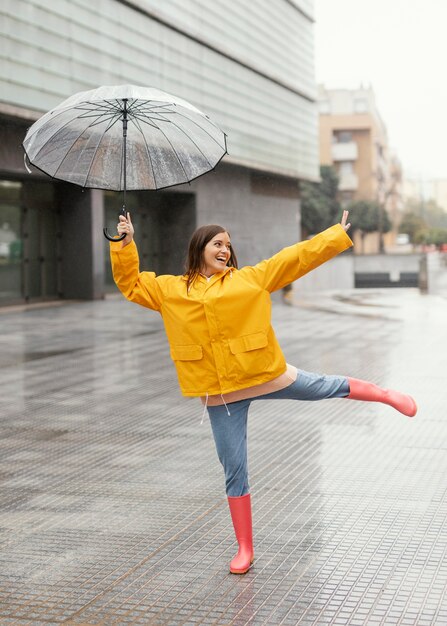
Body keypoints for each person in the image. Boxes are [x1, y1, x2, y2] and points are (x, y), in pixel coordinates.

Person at [110, 210, 417, 575]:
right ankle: (245, 548)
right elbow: (130, 284)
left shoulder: (249, 279)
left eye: (227, 244)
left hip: (263, 372)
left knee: (323, 386)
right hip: (219, 393)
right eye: (217, 243)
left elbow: (294, 258)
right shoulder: (170, 290)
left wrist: (334, 235)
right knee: (233, 468)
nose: (225, 250)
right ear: (199, 248)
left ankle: (383, 394)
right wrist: (125, 243)